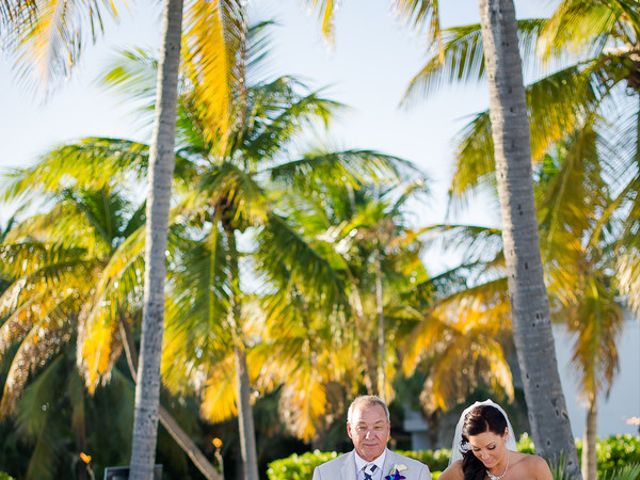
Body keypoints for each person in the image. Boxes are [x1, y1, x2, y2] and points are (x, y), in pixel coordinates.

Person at [313, 395, 431, 480]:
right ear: (349, 430)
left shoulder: (417, 473)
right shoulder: (324, 474)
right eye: (362, 427)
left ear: (388, 429)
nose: (369, 436)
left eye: (378, 427)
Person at [439, 400, 552, 480]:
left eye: (491, 447)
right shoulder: (460, 470)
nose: (485, 456)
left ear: (505, 434)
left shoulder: (535, 466)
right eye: (476, 449)